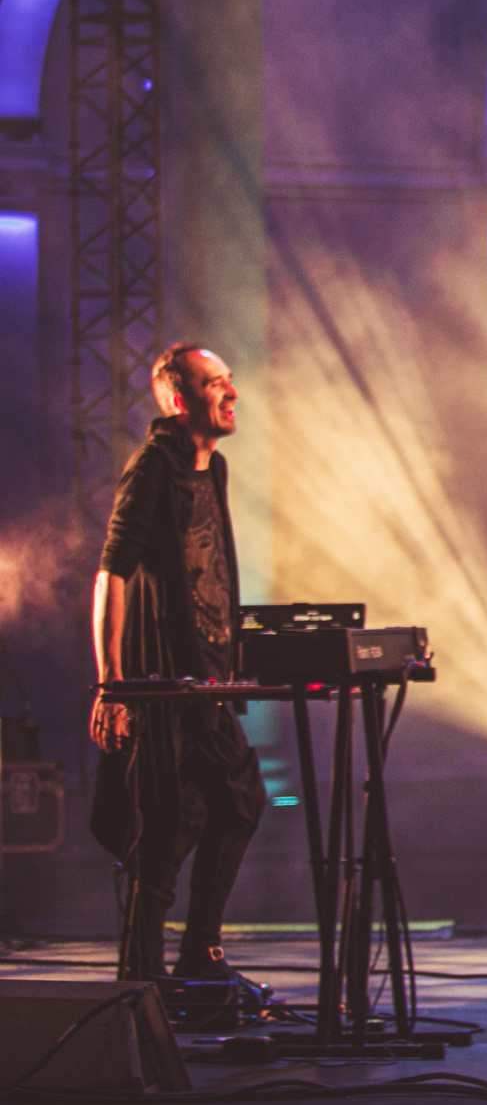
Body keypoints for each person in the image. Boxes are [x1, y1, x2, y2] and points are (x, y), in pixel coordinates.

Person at [89, 342, 267, 983]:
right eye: (216, 381)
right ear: (177, 396)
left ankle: (171, 964)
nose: (232, 392)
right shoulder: (153, 469)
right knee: (193, 813)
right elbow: (111, 575)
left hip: (207, 677)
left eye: (230, 378)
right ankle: (159, 971)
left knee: (193, 814)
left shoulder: (210, 468)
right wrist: (113, 687)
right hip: (163, 679)